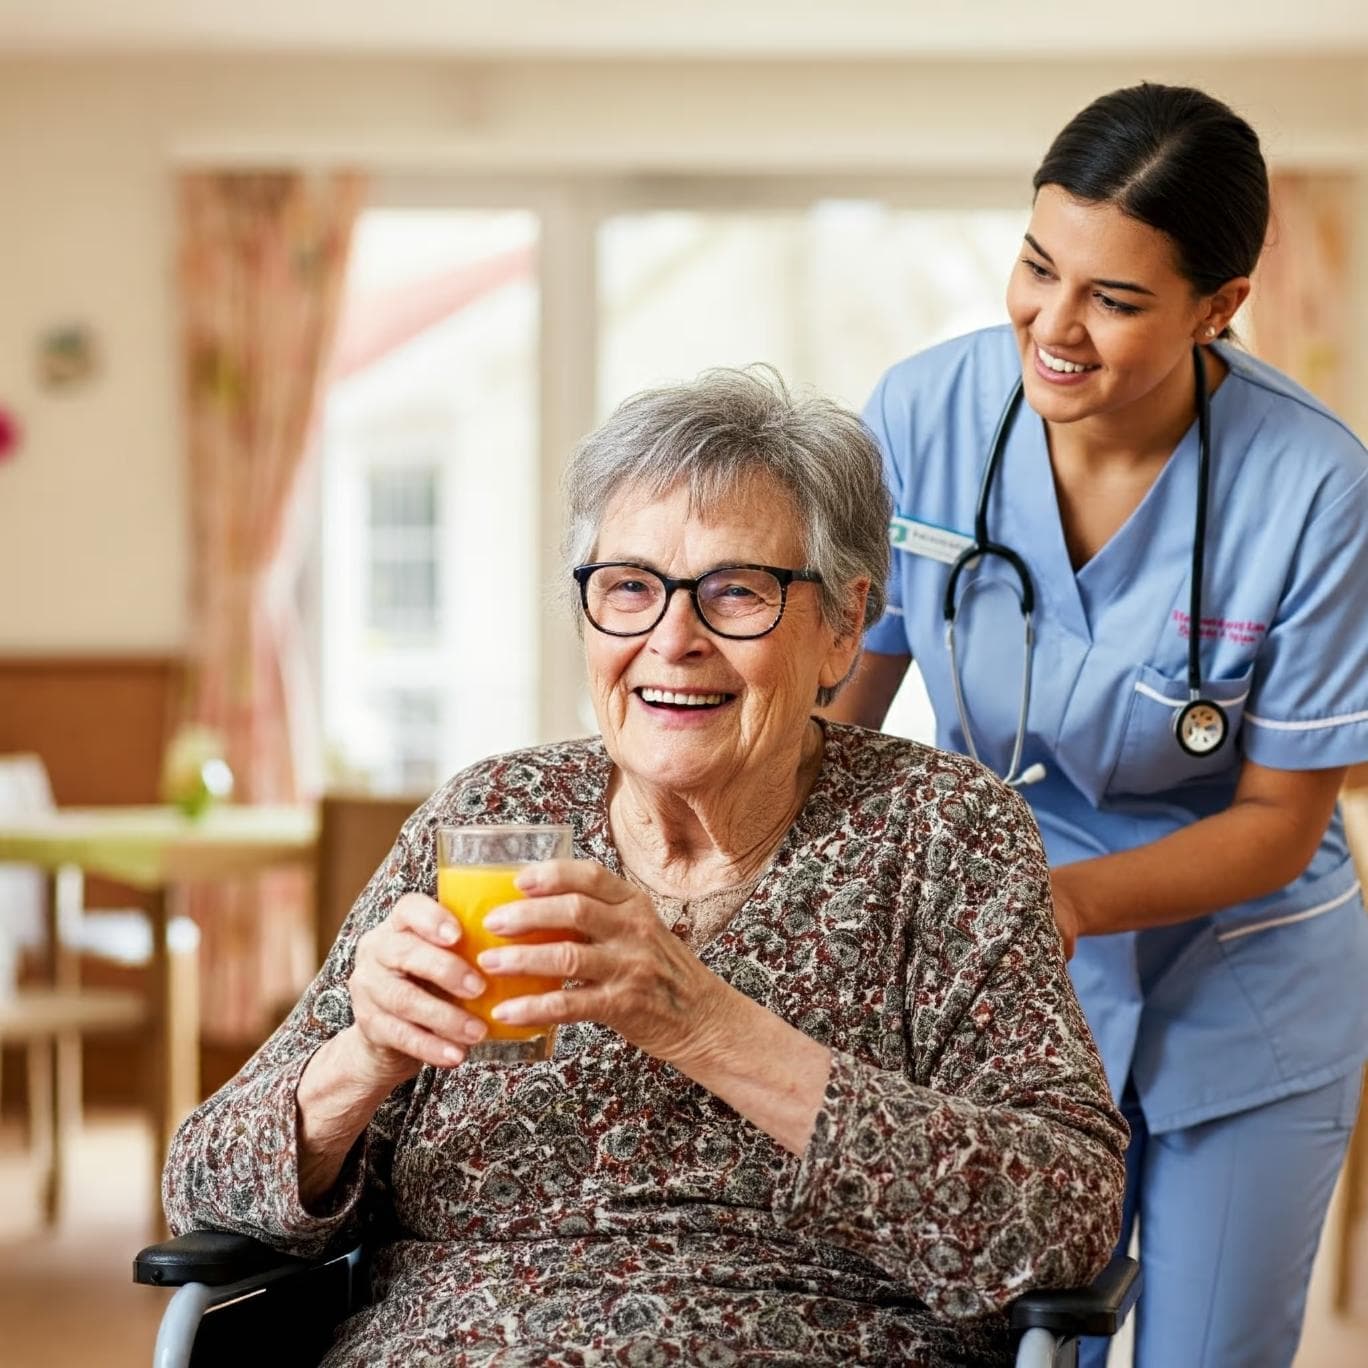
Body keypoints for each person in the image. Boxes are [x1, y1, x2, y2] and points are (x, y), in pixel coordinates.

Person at [163, 367, 1127, 1366]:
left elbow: (1063, 1217)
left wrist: (701, 1021)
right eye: (629, 588)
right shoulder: (493, 814)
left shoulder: (942, 835)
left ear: (844, 624)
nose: (672, 640)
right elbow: (203, 1179)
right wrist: (361, 1060)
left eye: (736, 593)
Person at [829, 83, 1368, 1366]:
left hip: (1240, 979)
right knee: (1000, 1345)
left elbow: (1280, 823)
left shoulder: (1314, 488)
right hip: (999, 987)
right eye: (1036, 266)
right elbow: (841, 704)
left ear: (1219, 307)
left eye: (1115, 300)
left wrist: (1048, 903)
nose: (1053, 327)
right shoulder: (926, 414)